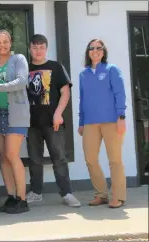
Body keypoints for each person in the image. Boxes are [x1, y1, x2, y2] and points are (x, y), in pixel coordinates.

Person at [25, 34, 81, 207]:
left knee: (59, 159)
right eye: (35, 47)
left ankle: (67, 193)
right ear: (30, 49)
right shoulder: (24, 68)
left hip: (53, 122)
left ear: (46, 49)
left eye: (41, 47)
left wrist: (58, 113)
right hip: (31, 123)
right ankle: (35, 192)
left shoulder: (56, 67)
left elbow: (65, 93)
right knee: (34, 159)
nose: (38, 51)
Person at [0, 29, 30, 214]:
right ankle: (11, 196)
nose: (2, 45)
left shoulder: (19, 60)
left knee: (12, 155)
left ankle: (22, 199)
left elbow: (21, 81)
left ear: (10, 43)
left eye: (5, 41)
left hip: (16, 113)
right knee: (3, 158)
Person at [78, 39, 127, 208]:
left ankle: (118, 196)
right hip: (90, 122)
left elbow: (120, 93)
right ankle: (101, 194)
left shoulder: (111, 70)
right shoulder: (83, 75)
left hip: (112, 121)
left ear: (104, 51)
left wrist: (121, 117)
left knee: (115, 159)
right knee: (90, 158)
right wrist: (81, 121)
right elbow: (82, 99)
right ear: (88, 52)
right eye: (91, 48)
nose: (95, 50)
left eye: (99, 48)